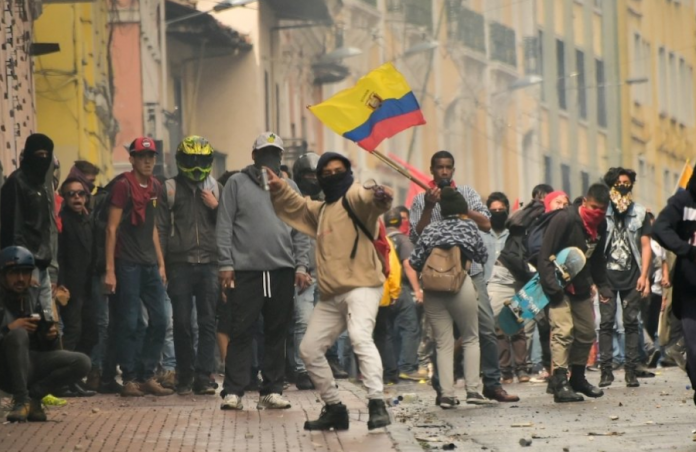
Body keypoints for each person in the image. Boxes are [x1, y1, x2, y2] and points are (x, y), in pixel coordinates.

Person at [267, 151, 392, 431]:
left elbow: (372, 197)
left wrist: (381, 194)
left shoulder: (356, 198)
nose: (332, 176)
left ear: (348, 172)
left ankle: (377, 403)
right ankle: (334, 407)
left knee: (360, 337)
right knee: (309, 349)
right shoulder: (321, 211)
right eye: (326, 172)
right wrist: (280, 186)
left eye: (339, 170)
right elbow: (297, 206)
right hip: (332, 294)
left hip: (363, 285)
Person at [409, 150, 518, 402]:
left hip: (470, 275)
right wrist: (429, 206)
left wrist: (459, 206)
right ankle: (444, 389)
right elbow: (416, 238)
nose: (444, 172)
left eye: (448, 167)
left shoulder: (467, 193)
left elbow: (486, 223)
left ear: (453, 170)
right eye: (439, 168)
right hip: (437, 278)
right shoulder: (420, 200)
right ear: (432, 170)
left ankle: (491, 384)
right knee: (446, 338)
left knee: (486, 330)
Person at [217, 132, 310, 411]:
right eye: (265, 153)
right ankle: (233, 391)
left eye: (275, 154)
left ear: (281, 158)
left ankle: (271, 389)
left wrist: (302, 265)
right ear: (254, 156)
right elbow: (224, 225)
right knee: (241, 329)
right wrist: (225, 264)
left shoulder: (290, 185)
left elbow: (301, 229)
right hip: (246, 271)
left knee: (276, 332)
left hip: (281, 270)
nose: (270, 159)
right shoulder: (236, 183)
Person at [103, 137, 173, 397]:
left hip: (149, 264)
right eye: (141, 156)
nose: (147, 161)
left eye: (151, 156)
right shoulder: (123, 186)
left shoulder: (155, 185)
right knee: (129, 322)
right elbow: (111, 228)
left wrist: (161, 262)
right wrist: (110, 270)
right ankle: (130, 378)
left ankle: (147, 375)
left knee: (160, 320)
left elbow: (152, 227)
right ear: (131, 159)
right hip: (127, 264)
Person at [410, 188, 489, 408]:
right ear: (463, 210)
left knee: (442, 343)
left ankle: (446, 394)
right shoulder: (468, 226)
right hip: (460, 284)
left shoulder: (431, 229)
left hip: (433, 289)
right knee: (471, 337)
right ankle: (473, 390)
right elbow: (482, 256)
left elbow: (415, 261)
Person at [158, 136, 221, 396]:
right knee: (182, 322)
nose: (196, 165)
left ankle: (204, 377)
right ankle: (184, 375)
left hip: (209, 263)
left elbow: (227, 225)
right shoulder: (169, 188)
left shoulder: (216, 188)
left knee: (207, 323)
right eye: (191, 160)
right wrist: (162, 265)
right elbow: (160, 228)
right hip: (179, 264)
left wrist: (216, 207)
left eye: (201, 160)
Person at [0, 246, 91, 422]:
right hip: (4, 368)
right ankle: (21, 400)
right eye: (14, 273)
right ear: (3, 275)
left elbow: (43, 347)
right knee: (18, 335)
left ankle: (33, 398)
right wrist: (10, 328)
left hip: (29, 363)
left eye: (25, 274)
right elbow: (16, 336)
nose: (20, 279)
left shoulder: (33, 297)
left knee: (82, 362)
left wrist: (49, 336)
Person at [539, 183, 611, 403]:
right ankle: (559, 381)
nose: (597, 213)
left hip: (580, 285)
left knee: (587, 332)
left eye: (602, 209)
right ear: (585, 202)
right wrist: (552, 289)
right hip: (557, 286)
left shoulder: (602, 225)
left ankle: (577, 378)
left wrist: (603, 285)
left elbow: (597, 258)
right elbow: (544, 255)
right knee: (563, 331)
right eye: (594, 207)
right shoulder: (565, 219)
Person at [489, 185, 558, 383]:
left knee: (517, 323)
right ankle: (512, 371)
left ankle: (525, 370)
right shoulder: (536, 217)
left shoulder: (541, 218)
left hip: (524, 275)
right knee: (504, 324)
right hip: (511, 274)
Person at [597, 168, 653, 388]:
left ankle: (631, 372)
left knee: (631, 324)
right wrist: (595, 280)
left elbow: (646, 245)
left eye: (627, 183)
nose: (623, 186)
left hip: (632, 277)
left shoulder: (639, 212)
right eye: (619, 183)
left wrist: (645, 275)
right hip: (606, 278)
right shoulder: (602, 211)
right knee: (606, 324)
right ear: (611, 185)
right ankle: (606, 372)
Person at [652, 162, 696, 402]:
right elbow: (660, 228)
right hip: (690, 287)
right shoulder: (683, 202)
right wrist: (687, 250)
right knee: (693, 344)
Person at [0, 134, 58, 314]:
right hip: (25, 267)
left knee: (48, 322)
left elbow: (45, 228)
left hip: (42, 265)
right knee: (29, 318)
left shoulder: (42, 186)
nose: (43, 160)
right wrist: (22, 270)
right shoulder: (16, 182)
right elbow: (14, 227)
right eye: (38, 155)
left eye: (46, 155)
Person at [55, 177, 97, 397]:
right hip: (71, 287)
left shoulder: (88, 220)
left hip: (89, 286)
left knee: (91, 331)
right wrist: (60, 284)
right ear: (65, 198)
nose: (77, 198)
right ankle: (64, 381)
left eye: (80, 193)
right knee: (72, 331)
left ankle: (75, 378)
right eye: (71, 194)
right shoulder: (62, 221)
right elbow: (59, 255)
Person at [384, 207, 423, 381]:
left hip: (383, 291)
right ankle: (407, 367)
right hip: (401, 289)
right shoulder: (403, 240)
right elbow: (408, 265)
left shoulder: (381, 239)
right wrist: (417, 290)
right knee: (410, 327)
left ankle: (390, 371)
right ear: (401, 223)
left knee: (388, 332)